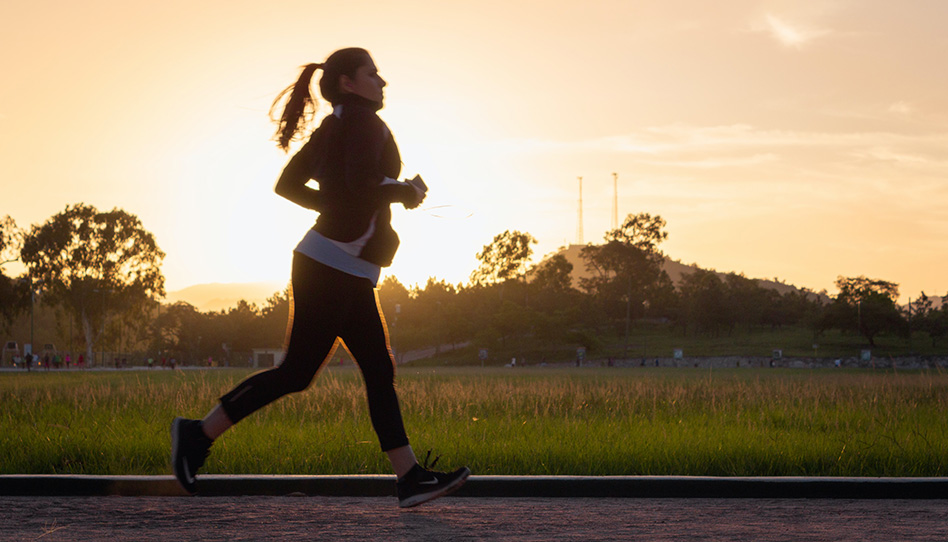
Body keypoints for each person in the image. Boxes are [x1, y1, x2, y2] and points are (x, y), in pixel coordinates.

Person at [171, 48, 469, 508]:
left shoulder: (334, 126)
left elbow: (289, 184)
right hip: (332, 267)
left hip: (337, 265)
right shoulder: (364, 123)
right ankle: (196, 434)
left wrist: (337, 207)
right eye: (373, 73)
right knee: (305, 372)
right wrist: (406, 191)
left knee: (368, 369)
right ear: (349, 82)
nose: (382, 81)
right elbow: (360, 184)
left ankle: (409, 477)